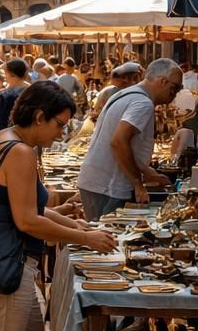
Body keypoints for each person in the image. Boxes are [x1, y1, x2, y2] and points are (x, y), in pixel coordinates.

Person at [0, 82, 118, 331]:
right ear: (38, 117)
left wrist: (73, 224)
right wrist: (86, 239)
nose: (61, 133)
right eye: (59, 125)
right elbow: (27, 220)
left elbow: (21, 207)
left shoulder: (1, 138)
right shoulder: (20, 151)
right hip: (5, 266)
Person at [77, 58, 183, 220]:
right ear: (162, 81)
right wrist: (137, 183)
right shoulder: (142, 103)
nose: (175, 94)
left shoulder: (124, 94)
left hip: (96, 182)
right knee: (107, 238)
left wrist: (146, 171)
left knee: (100, 235)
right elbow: (119, 141)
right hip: (109, 187)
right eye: (175, 88)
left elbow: (123, 142)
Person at [0, 58, 31, 134]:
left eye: (6, 72)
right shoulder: (7, 88)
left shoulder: (27, 91)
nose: (4, 75)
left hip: (15, 132)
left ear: (13, 74)